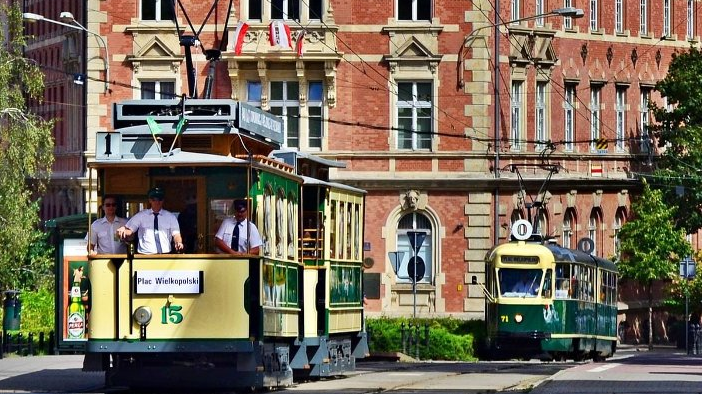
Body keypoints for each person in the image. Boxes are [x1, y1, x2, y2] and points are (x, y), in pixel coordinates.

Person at [116, 187, 184, 254]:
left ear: (163, 200)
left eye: (159, 199)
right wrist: (123, 231)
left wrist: (178, 243)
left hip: (165, 255)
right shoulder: (141, 215)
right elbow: (130, 230)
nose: (157, 202)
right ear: (150, 200)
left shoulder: (170, 217)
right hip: (145, 256)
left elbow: (176, 234)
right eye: (154, 199)